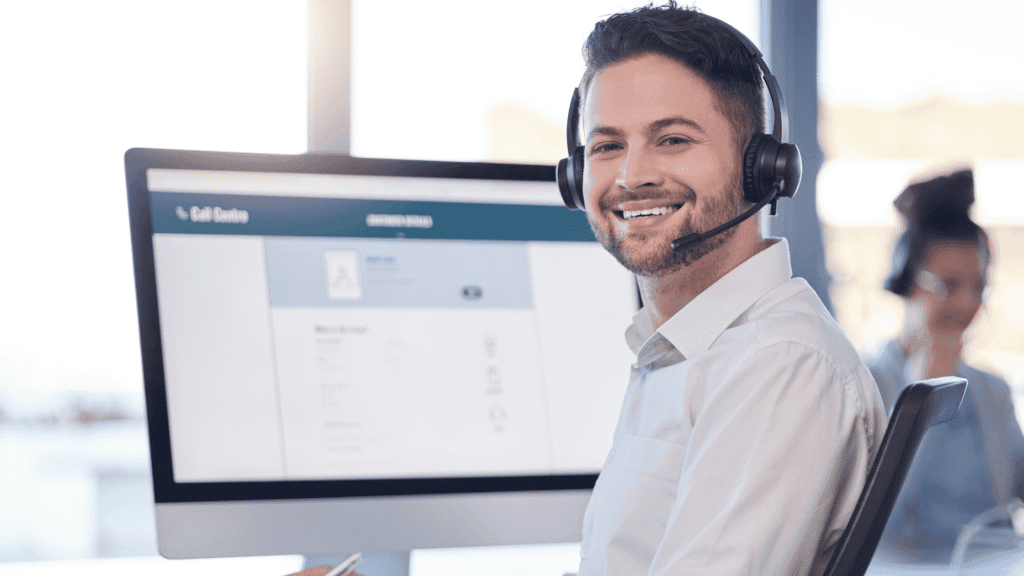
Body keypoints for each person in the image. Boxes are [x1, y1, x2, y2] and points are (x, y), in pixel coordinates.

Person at [294, 3, 887, 575]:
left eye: (673, 140)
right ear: (577, 174)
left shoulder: (777, 366)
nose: (632, 176)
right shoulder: (688, 350)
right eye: (607, 146)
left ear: (761, 166)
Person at [868, 167, 1024, 564]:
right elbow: (870, 524)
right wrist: (924, 392)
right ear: (907, 279)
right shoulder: (864, 383)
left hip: (994, 565)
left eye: (979, 287)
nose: (968, 304)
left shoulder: (992, 390)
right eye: (950, 285)